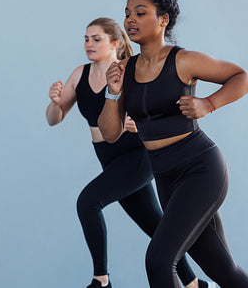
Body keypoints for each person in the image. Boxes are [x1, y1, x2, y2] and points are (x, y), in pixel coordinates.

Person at [98, 0, 248, 288]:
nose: (130, 20)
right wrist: (113, 92)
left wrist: (208, 103)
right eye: (127, 13)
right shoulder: (125, 69)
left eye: (140, 13)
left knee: (159, 260)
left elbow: (244, 78)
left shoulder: (183, 60)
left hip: (200, 169)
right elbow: (110, 132)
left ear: (163, 19)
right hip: (166, 177)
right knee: (223, 270)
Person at [46, 17, 214, 288]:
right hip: (109, 160)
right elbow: (54, 119)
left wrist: (136, 122)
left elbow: (153, 105)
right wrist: (55, 103)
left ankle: (101, 280)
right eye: (86, 39)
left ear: (114, 42)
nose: (89, 44)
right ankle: (195, 284)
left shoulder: (127, 72)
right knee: (156, 227)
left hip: (137, 157)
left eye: (96, 39)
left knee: (87, 202)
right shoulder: (80, 75)